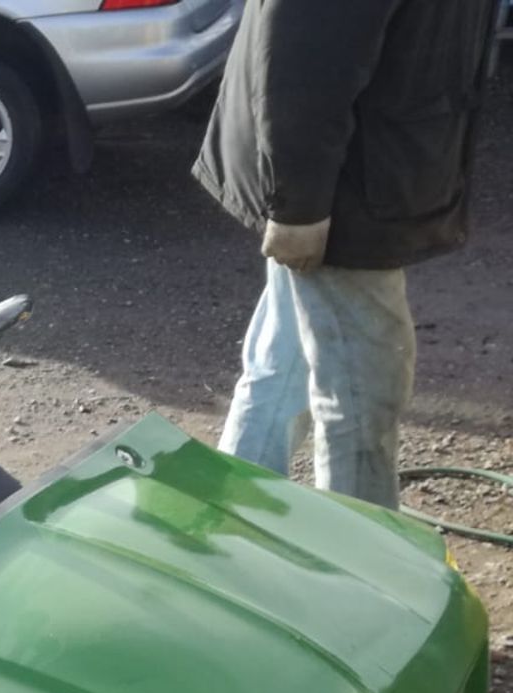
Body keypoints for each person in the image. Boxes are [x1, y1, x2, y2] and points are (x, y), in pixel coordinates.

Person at [195, 0, 500, 510]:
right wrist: (299, 208)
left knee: (284, 358)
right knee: (362, 392)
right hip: (344, 188)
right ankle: (361, 564)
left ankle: (232, 510)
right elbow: (304, 63)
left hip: (348, 168)